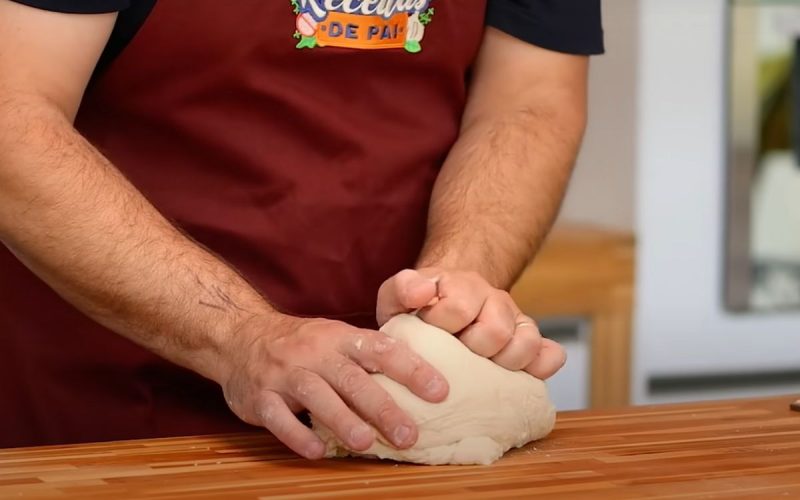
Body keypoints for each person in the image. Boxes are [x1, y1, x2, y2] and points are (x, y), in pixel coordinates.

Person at [0, 0, 604, 457]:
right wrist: (239, 335)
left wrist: (451, 292)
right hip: (111, 402)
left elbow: (530, 102)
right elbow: (13, 115)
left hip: (387, 407)